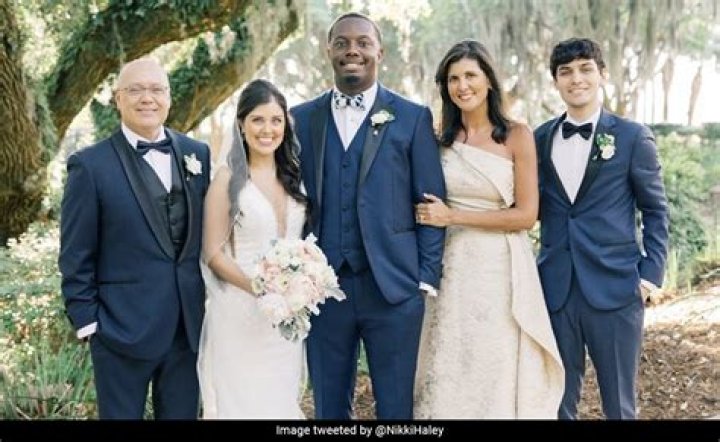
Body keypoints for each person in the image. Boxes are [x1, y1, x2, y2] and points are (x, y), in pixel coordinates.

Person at [290, 12, 446, 419]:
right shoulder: (300, 119)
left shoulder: (412, 117)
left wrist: (424, 278)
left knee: (395, 408)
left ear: (380, 51)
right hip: (323, 290)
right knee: (328, 408)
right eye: (342, 43)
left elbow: (431, 201)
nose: (352, 51)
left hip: (394, 288)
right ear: (328, 50)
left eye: (363, 42)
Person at [413, 39, 565, 419]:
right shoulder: (438, 138)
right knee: (450, 356)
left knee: (493, 360)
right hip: (450, 266)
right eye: (453, 79)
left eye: (470, 76)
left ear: (489, 81)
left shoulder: (516, 135)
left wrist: (453, 217)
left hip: (499, 268)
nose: (462, 86)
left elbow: (526, 215)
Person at [58, 57, 210, 419]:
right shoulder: (89, 165)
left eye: (156, 89)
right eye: (136, 90)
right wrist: (89, 324)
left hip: (187, 331)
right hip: (119, 331)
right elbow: (75, 253)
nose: (147, 98)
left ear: (169, 97)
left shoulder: (197, 154)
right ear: (118, 99)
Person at [534, 38, 669, 420]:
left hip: (616, 287)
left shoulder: (631, 137)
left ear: (602, 75)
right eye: (565, 72)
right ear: (556, 81)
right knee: (555, 402)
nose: (576, 79)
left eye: (585, 69)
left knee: (619, 406)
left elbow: (655, 210)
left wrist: (648, 278)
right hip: (556, 289)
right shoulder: (538, 138)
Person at [197, 79, 307, 419]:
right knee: (243, 405)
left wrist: (299, 287)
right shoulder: (227, 180)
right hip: (239, 314)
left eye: (276, 120)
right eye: (258, 120)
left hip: (284, 318)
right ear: (241, 125)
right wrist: (262, 289)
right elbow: (212, 253)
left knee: (280, 403)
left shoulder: (294, 176)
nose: (267, 129)